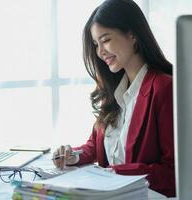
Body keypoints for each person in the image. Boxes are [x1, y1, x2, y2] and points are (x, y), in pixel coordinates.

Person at [52, 0, 175, 197]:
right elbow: (96, 147)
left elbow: (174, 173)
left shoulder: (164, 88)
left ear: (132, 34)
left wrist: (114, 174)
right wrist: (73, 155)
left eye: (106, 40)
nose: (100, 52)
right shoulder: (113, 91)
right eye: (95, 44)